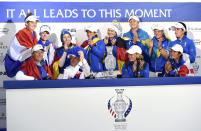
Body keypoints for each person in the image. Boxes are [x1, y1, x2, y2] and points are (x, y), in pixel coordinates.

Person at [5, 12, 39, 77]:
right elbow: (33, 49)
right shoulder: (23, 32)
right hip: (13, 62)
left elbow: (34, 49)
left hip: (21, 59)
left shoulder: (33, 33)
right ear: (26, 23)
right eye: (32, 22)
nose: (34, 24)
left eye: (35, 22)